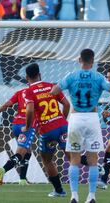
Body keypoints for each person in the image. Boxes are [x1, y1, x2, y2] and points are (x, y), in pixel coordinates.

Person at [50, 49, 110, 203]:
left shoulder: (71, 76)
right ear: (93, 61)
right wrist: (105, 87)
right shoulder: (98, 77)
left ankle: (74, 196)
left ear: (79, 59)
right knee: (93, 160)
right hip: (92, 119)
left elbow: (54, 91)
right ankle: (91, 197)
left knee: (74, 160)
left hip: (75, 119)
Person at [22, 63, 72, 197]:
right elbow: (66, 104)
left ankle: (59, 190)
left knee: (47, 160)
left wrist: (27, 126)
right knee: (73, 157)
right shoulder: (51, 86)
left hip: (47, 131)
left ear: (27, 77)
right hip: (62, 126)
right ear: (40, 75)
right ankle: (96, 170)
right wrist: (62, 120)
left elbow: (30, 110)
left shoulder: (28, 91)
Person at [0, 88, 36, 185]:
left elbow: (6, 105)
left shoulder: (20, 92)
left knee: (27, 152)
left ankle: (22, 179)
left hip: (16, 125)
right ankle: (2, 171)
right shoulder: (37, 92)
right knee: (20, 154)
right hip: (26, 125)